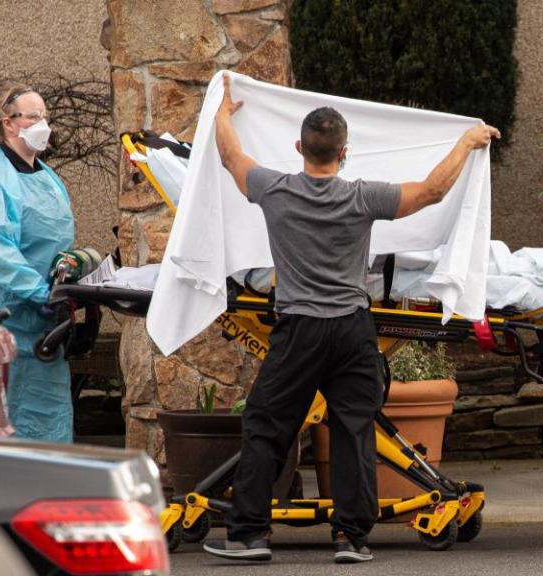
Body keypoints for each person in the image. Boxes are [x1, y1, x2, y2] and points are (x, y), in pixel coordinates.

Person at [202, 75, 500, 564]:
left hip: (298, 329)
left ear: (299, 147)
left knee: (266, 426)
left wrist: (221, 113)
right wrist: (467, 141)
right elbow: (430, 191)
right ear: (344, 153)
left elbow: (231, 158)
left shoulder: (272, 189)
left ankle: (251, 536)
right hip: (351, 330)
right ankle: (351, 539)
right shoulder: (362, 197)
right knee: (354, 430)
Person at [0, 83, 75, 443]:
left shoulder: (45, 175)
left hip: (41, 321)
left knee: (48, 416)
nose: (44, 124)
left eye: (45, 116)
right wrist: (40, 291)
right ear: (10, 124)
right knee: (5, 417)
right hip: (4, 314)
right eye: (34, 116)